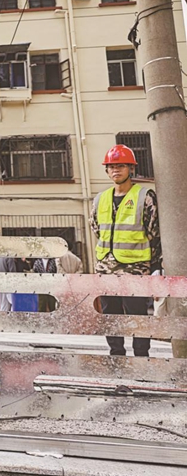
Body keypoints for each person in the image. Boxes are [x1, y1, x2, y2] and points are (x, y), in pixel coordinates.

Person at [90, 144, 161, 357]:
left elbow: (155, 233)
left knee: (137, 316)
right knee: (110, 317)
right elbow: (97, 229)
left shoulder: (145, 196)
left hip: (135, 268)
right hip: (106, 267)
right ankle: (117, 357)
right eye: (111, 167)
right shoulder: (100, 199)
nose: (115, 171)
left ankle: (141, 358)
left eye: (120, 166)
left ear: (131, 168)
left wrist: (156, 266)